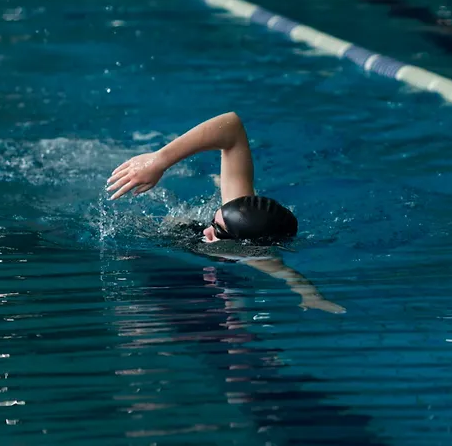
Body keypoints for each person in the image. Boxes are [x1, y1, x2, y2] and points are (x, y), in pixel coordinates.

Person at [106, 112, 344, 313]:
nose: (206, 230)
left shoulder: (257, 257)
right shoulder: (238, 209)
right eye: (214, 221)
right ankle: (222, 181)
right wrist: (160, 160)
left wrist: (312, 297)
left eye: (217, 230)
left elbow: (291, 276)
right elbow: (231, 125)